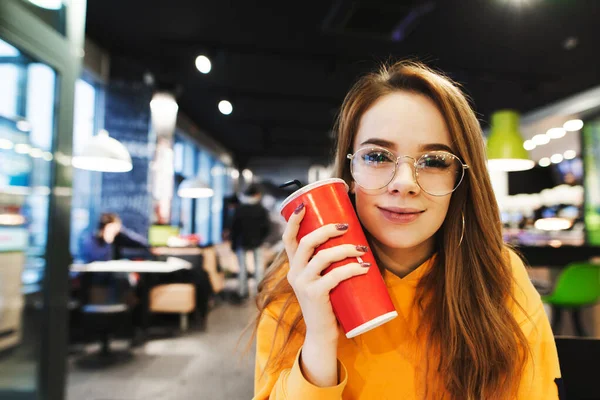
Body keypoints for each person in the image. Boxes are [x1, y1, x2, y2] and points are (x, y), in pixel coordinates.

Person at [252, 61, 562, 399]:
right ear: (349, 174)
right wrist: (320, 339)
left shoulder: (499, 276)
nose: (404, 183)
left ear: (460, 180)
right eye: (377, 156)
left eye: (433, 161)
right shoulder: (303, 282)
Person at [231, 184, 271, 299]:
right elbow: (266, 227)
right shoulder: (261, 209)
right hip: (257, 241)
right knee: (258, 267)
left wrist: (233, 244)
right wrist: (262, 238)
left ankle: (243, 292)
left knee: (242, 268)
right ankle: (258, 292)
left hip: (241, 241)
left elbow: (234, 228)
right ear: (257, 195)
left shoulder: (239, 209)